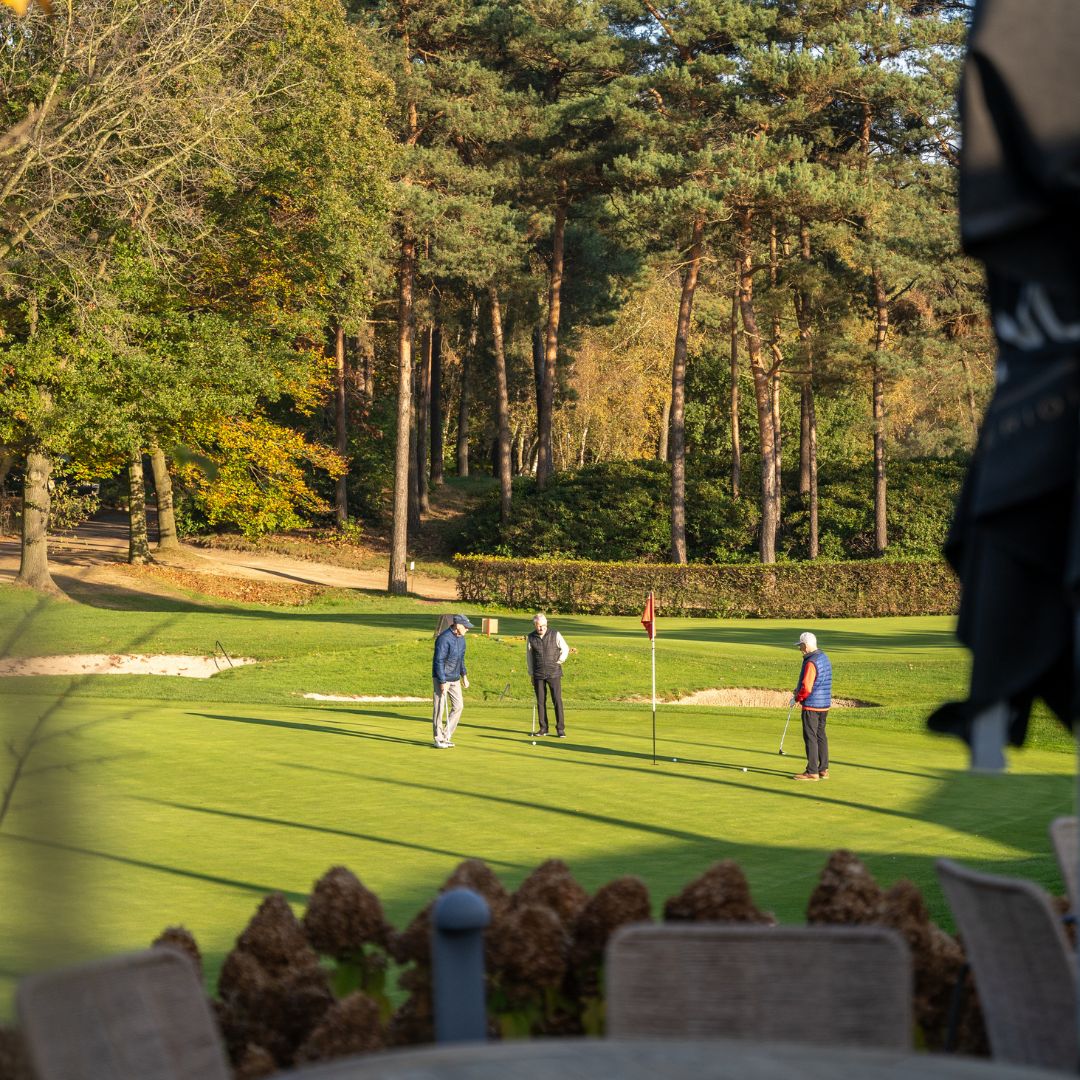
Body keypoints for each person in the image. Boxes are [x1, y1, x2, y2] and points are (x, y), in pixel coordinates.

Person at [790, 631, 832, 781]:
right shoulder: (823, 657)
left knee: (810, 737)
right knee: (821, 735)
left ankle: (812, 771)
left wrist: (798, 697)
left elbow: (807, 687)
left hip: (812, 705)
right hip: (824, 704)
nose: (800, 649)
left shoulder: (810, 662)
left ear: (806, 645)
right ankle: (823, 769)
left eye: (800, 646)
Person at [432, 614, 473, 749]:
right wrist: (442, 681)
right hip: (442, 677)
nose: (467, 629)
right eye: (466, 627)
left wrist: (464, 676)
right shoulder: (444, 639)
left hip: (455, 678)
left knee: (459, 706)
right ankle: (438, 738)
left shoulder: (461, 640)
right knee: (439, 708)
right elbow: (439, 661)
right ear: (458, 625)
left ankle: (446, 735)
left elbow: (461, 659)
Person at [526, 612, 569, 737]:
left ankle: (560, 729)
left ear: (546, 624)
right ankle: (543, 728)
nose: (541, 628)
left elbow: (565, 648)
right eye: (539, 626)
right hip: (538, 673)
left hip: (554, 672)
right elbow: (529, 657)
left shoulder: (555, 634)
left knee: (557, 700)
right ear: (535, 625)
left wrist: (560, 661)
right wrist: (531, 673)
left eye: (543, 625)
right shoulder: (531, 637)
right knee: (540, 701)